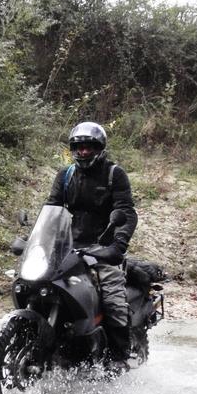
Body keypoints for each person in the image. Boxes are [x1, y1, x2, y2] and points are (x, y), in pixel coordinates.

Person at [45, 121, 138, 369]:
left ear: (100, 148)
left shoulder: (113, 174)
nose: (84, 152)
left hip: (102, 248)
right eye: (79, 147)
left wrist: (117, 246)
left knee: (112, 298)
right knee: (41, 283)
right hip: (69, 247)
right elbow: (51, 208)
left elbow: (125, 212)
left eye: (89, 147)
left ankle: (120, 357)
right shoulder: (65, 176)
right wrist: (38, 241)